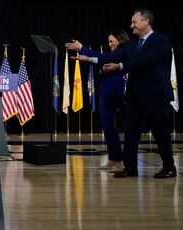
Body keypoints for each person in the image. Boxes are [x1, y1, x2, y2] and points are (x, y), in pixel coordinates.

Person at [67, 9, 176, 178]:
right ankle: (130, 167)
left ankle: (169, 167)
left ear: (146, 22)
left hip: (156, 95)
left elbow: (145, 61)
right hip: (135, 96)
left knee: (160, 133)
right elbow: (110, 56)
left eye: (134, 22)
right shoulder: (132, 45)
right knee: (131, 133)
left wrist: (120, 66)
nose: (131, 25)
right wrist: (85, 51)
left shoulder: (161, 40)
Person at [66, 30, 130, 173]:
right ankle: (113, 159)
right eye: (108, 42)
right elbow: (102, 59)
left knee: (110, 127)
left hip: (113, 93)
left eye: (111, 41)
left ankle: (119, 161)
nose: (109, 44)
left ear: (119, 41)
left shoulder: (122, 51)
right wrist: (87, 59)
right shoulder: (115, 53)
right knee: (107, 127)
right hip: (105, 92)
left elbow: (104, 57)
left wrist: (82, 49)